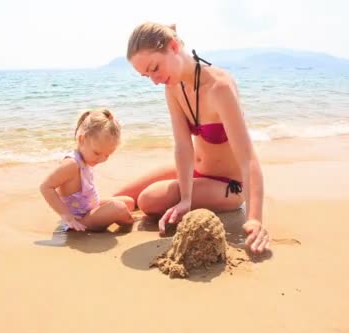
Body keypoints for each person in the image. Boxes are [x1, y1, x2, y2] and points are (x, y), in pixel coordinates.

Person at [114, 22, 269, 254]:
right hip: (195, 172)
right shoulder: (173, 87)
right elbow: (183, 146)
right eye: (147, 76)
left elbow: (248, 158)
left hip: (229, 186)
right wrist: (185, 198)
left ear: (173, 46)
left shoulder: (220, 87)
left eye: (154, 68)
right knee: (117, 198)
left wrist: (255, 218)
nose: (154, 80)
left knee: (147, 200)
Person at [40, 108, 134, 232]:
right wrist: (67, 216)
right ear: (81, 139)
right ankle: (132, 223)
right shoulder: (71, 164)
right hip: (80, 221)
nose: (101, 159)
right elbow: (46, 187)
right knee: (119, 208)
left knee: (129, 202)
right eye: (97, 153)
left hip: (89, 209)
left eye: (107, 155)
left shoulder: (86, 158)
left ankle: (122, 217)